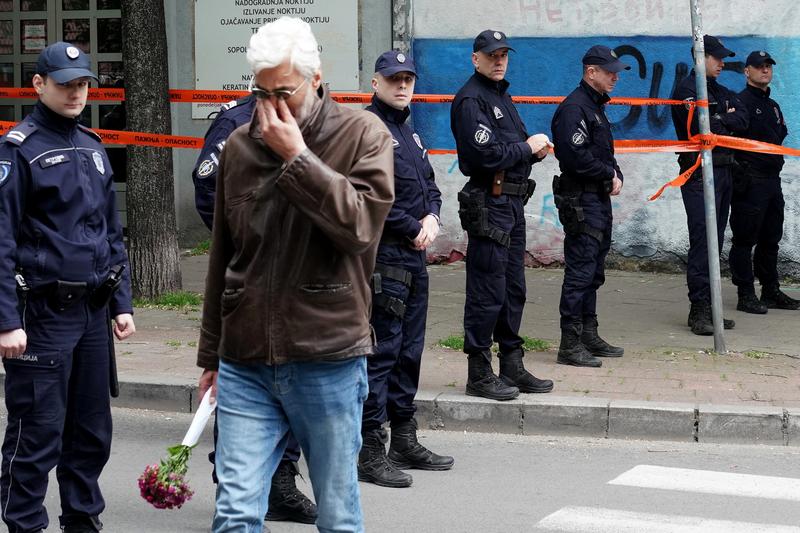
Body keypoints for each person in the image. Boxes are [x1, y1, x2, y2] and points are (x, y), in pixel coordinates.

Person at [196, 17, 394, 532]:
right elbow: (224, 253)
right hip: (244, 359)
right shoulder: (239, 145)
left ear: (317, 76)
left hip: (326, 353)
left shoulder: (363, 134)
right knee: (235, 509)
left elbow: (360, 228)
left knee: (336, 509)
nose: (271, 106)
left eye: (283, 91)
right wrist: (211, 355)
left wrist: (298, 158)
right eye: (260, 92)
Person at [0, 41, 135, 533]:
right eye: (65, 84)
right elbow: (1, 239)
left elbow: (110, 234)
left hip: (93, 314)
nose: (76, 93)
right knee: (37, 435)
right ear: (39, 85)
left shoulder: (93, 147)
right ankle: (24, 526)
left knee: (91, 433)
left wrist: (122, 303)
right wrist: (6, 320)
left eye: (82, 84)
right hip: (42, 315)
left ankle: (82, 522)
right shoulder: (19, 150)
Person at [192, 95, 317, 525]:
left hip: (297, 283)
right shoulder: (234, 124)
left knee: (292, 378)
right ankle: (234, 488)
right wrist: (244, 245)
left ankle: (280, 482)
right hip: (246, 283)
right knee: (242, 382)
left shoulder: (309, 122)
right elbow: (208, 189)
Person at [357, 50, 454, 489]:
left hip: (413, 256)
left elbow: (429, 184)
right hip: (385, 256)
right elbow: (367, 194)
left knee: (409, 351)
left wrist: (432, 217)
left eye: (408, 79)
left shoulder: (408, 131)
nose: (401, 86)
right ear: (375, 83)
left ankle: (404, 439)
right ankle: (369, 450)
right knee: (383, 354)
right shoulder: (366, 128)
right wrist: (411, 225)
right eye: (393, 79)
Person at [450, 29, 554, 401]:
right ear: (475, 58)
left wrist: (532, 152)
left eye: (503, 55)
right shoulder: (470, 100)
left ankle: (512, 363)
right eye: (491, 55)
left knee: (513, 288)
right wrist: (526, 148)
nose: (499, 61)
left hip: (511, 204)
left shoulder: (500, 96)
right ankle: (478, 372)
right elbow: (485, 155)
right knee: (486, 290)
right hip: (489, 203)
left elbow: (510, 146)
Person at [550, 45, 628, 368]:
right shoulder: (575, 109)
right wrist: (607, 173)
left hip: (596, 199)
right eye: (608, 70)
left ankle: (588, 333)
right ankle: (569, 343)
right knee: (580, 271)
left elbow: (603, 155)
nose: (614, 76)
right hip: (581, 199)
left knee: (593, 270)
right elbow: (574, 156)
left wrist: (615, 172)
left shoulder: (595, 108)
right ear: (590, 71)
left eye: (616, 71)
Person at [671, 34, 749, 335]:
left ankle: (712, 307)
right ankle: (699, 310)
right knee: (704, 241)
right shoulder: (687, 89)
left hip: (724, 172)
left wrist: (723, 118)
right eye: (716, 58)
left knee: (715, 242)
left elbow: (742, 120)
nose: (722, 63)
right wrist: (722, 118)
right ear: (700, 58)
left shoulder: (720, 89)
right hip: (699, 174)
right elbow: (702, 127)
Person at [729, 51, 799, 314]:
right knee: (745, 239)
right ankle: (745, 294)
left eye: (768, 66)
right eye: (759, 66)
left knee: (771, 238)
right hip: (750, 180)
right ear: (747, 71)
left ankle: (770, 290)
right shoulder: (740, 102)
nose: (765, 70)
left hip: (772, 181)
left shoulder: (773, 106)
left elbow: (778, 138)